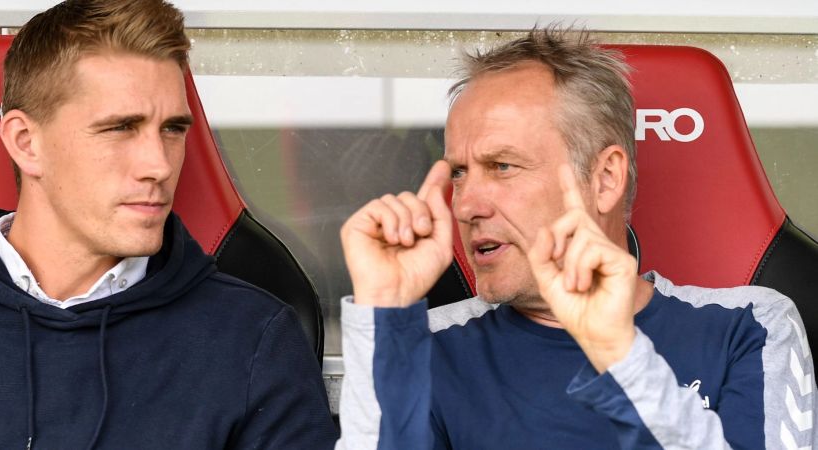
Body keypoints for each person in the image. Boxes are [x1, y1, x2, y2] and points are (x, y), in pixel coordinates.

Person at [336, 28, 816, 449]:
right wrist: (384, 316)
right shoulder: (423, 345)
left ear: (605, 179)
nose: (464, 205)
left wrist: (620, 355)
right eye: (459, 172)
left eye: (503, 166)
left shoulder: (749, 325)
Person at [0, 1, 336, 448]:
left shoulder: (254, 339)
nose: (159, 165)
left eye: (173, 129)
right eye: (120, 128)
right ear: (26, 142)